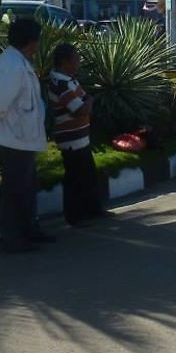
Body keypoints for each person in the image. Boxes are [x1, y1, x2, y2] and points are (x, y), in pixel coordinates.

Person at [0, 18, 51, 253]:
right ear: (32, 41)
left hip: (21, 138)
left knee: (27, 187)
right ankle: (12, 238)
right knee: (15, 190)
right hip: (10, 138)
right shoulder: (12, 64)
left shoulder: (18, 60)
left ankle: (29, 230)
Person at [47, 43, 104, 225]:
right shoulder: (60, 83)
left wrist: (87, 103)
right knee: (75, 178)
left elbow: (86, 100)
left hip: (81, 137)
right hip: (70, 139)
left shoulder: (70, 80)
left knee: (88, 175)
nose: (78, 62)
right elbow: (80, 108)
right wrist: (87, 103)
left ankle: (92, 210)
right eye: (75, 59)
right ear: (65, 61)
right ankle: (75, 215)